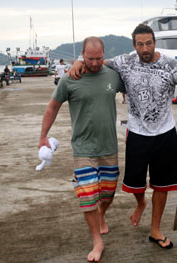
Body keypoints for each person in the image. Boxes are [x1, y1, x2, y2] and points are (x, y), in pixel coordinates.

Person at [70, 23, 177, 249]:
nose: (145, 48)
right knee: (135, 184)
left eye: (149, 43)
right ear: (134, 45)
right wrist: (78, 61)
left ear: (155, 43)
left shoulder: (169, 64)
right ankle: (141, 203)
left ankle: (155, 230)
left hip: (165, 133)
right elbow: (97, 61)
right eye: (140, 44)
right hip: (137, 133)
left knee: (162, 185)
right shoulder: (125, 61)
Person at [39, 37, 124, 261]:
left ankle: (102, 215)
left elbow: (133, 85)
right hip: (83, 148)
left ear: (104, 55)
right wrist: (43, 136)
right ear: (81, 56)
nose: (94, 63)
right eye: (89, 58)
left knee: (107, 193)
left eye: (98, 58)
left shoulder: (113, 75)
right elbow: (52, 107)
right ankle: (97, 241)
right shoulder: (70, 78)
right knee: (87, 197)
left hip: (108, 146)